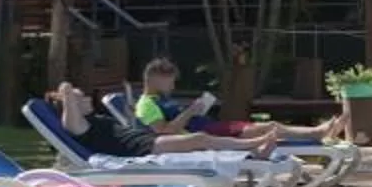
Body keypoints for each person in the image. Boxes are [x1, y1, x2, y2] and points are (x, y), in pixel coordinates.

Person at [53, 80, 301, 159]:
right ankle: (252, 148)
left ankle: (254, 153)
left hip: (147, 141)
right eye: (79, 98)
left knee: (202, 144)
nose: (85, 98)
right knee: (201, 139)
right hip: (141, 149)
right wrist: (66, 92)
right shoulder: (79, 126)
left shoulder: (94, 119)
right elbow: (71, 122)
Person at [132, 58, 337, 146]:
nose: (173, 86)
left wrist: (195, 110)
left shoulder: (160, 99)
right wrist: (189, 112)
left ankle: (318, 134)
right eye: (170, 81)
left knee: (268, 129)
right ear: (155, 78)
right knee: (269, 128)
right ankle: (317, 132)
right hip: (205, 135)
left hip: (209, 128)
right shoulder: (146, 104)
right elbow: (163, 132)